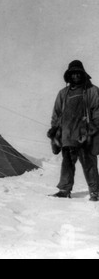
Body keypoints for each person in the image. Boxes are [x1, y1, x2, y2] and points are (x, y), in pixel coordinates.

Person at [48, 60, 99, 202]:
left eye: (78, 72)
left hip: (85, 135)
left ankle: (95, 192)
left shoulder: (92, 91)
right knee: (67, 164)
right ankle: (64, 190)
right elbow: (56, 114)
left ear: (83, 74)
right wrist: (55, 130)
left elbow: (97, 111)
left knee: (89, 164)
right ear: (69, 76)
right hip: (67, 135)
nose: (75, 75)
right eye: (73, 73)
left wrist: (93, 128)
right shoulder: (63, 94)